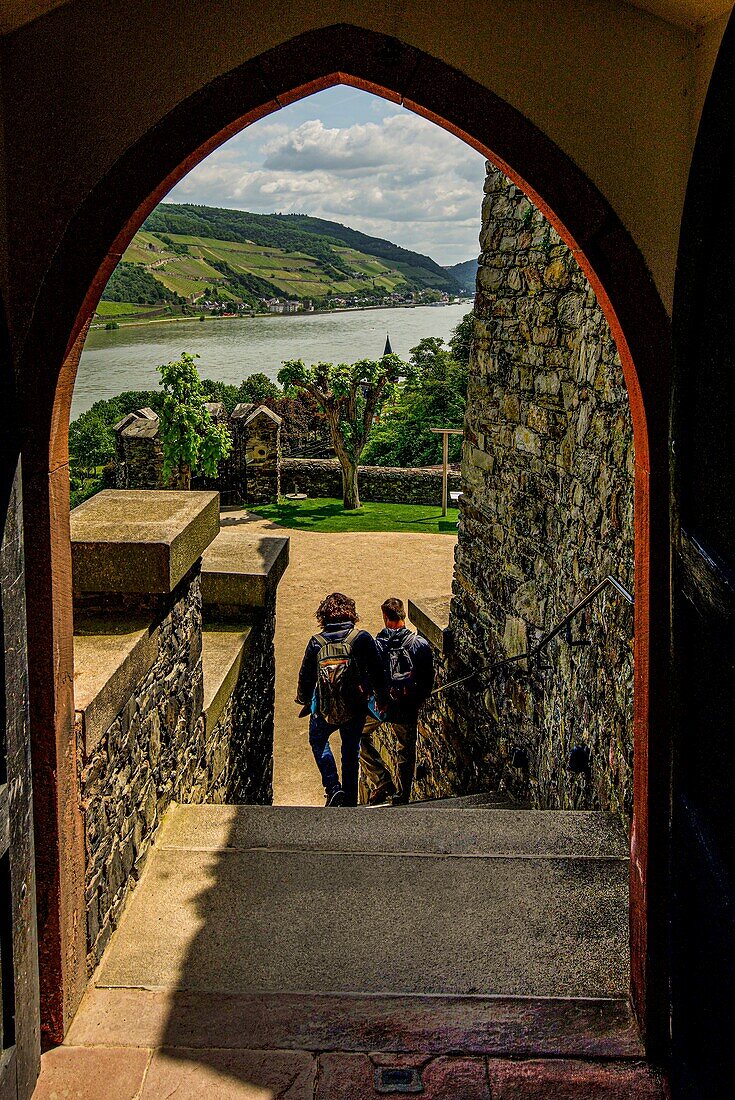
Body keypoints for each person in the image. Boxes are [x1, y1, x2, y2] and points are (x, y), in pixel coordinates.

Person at [296, 592, 384, 807]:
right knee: (350, 752)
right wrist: (380, 698)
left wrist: (304, 699)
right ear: (351, 614)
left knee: (318, 740)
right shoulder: (361, 638)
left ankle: (333, 788)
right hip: (355, 707)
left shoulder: (316, 642)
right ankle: (350, 802)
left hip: (324, 708)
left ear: (323, 617)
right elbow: (377, 672)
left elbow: (306, 677)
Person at [360, 597, 435, 805]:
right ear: (403, 615)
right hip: (406, 706)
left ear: (385, 617)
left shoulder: (376, 646)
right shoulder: (419, 644)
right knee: (406, 750)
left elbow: (369, 677)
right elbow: (427, 681)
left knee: (358, 735)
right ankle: (402, 796)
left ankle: (381, 780)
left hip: (380, 707)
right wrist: (417, 701)